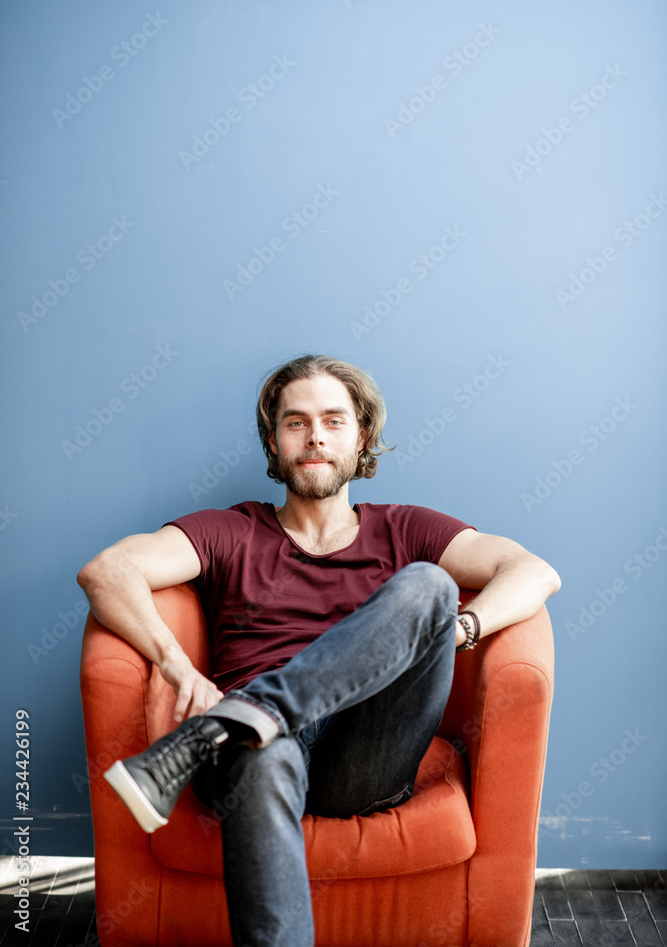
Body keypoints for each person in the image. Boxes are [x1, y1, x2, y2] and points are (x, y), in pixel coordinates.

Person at [77, 353, 560, 947]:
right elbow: (107, 571)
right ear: (274, 442)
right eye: (296, 422)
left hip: (365, 753)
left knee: (431, 587)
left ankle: (235, 720)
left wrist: (454, 631)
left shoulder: (406, 529)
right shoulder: (230, 531)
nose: (315, 437)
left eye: (334, 420)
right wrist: (176, 665)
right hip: (256, 756)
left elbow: (533, 571)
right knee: (260, 749)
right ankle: (249, 722)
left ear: (363, 438)